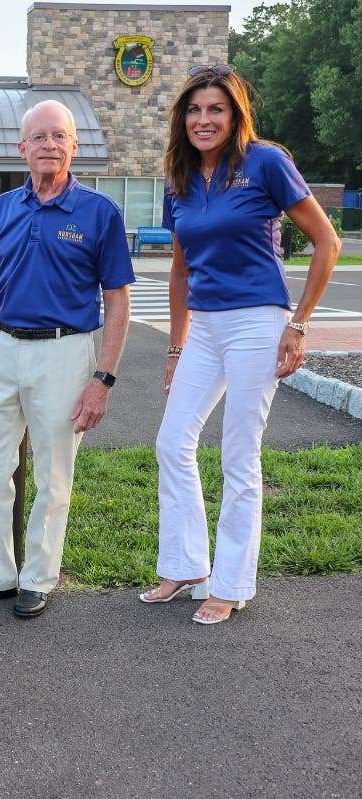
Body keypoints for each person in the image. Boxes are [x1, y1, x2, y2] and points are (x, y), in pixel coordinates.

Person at [139, 65, 339, 624]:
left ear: (235, 115)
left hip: (258, 321)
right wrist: (176, 350)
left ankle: (230, 583)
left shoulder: (266, 163)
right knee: (172, 441)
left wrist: (297, 325)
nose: (204, 120)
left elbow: (326, 242)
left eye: (216, 110)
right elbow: (179, 272)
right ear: (183, 118)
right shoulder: (179, 178)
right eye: (194, 110)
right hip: (204, 326)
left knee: (237, 453)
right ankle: (184, 565)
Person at [0, 99, 134, 618]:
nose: (49, 145)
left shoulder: (100, 213)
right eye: (39, 137)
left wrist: (103, 379)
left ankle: (37, 577)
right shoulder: (2, 209)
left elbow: (117, 300)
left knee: (52, 475)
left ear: (74, 146)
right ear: (21, 147)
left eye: (59, 136)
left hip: (64, 351)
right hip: (2, 349)